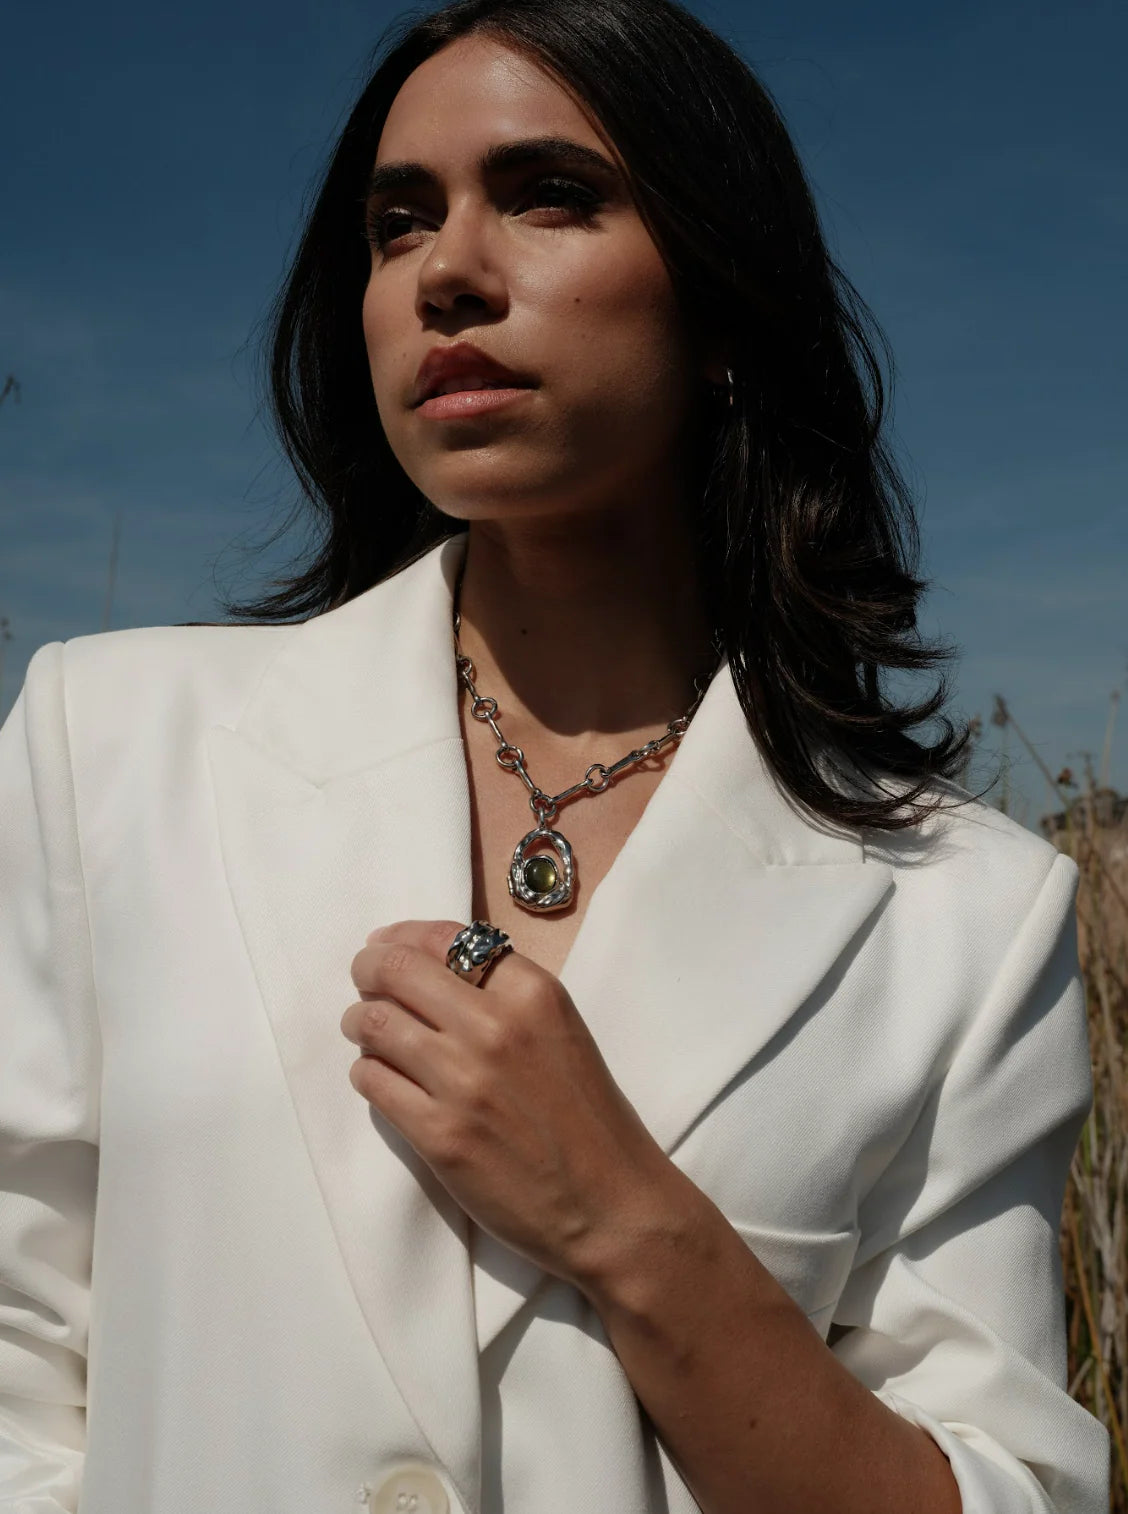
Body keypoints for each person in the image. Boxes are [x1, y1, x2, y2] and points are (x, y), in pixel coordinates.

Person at [0, 0, 1111, 1510]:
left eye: (550, 195)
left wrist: (627, 1222)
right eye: (398, 223)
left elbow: (997, 1489)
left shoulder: (968, 914)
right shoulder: (107, 749)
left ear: (725, 310)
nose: (446, 270)